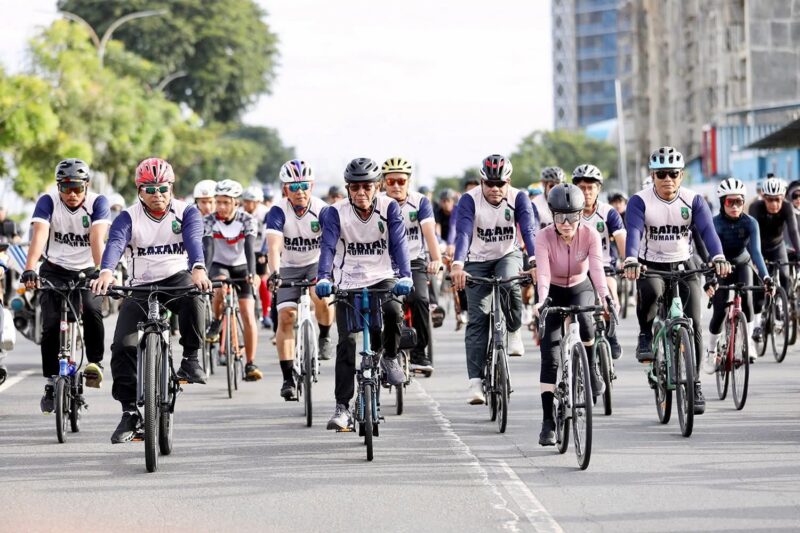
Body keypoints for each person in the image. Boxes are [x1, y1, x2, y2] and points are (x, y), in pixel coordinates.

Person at [91, 157, 212, 444]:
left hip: (177, 278)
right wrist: (106, 272)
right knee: (122, 345)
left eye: (163, 189)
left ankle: (191, 359)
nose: (157, 195)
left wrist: (198, 268)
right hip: (141, 286)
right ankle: (130, 412)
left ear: (172, 188)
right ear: (138, 190)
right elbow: (116, 245)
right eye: (149, 189)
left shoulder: (187, 212)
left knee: (196, 298)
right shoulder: (128, 217)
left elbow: (194, 240)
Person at [623, 146, 730, 415]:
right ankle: (646, 334)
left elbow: (707, 231)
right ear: (653, 175)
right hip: (651, 264)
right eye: (661, 174)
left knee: (693, 322)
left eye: (673, 173)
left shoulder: (693, 200)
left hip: (684, 264)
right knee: (651, 289)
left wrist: (718, 256)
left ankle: (694, 385)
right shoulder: (640, 200)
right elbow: (634, 232)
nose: (667, 179)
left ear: (681, 175)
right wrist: (631, 259)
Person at [315, 157, 412, 430]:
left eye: (367, 187)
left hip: (382, 277)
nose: (361, 193)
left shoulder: (390, 208)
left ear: (377, 186)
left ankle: (390, 357)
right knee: (346, 342)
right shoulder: (335, 212)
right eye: (355, 188)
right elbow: (328, 247)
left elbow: (399, 244)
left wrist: (405, 275)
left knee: (393, 311)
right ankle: (342, 407)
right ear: (347, 189)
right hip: (348, 281)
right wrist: (323, 277)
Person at [22, 158, 110, 412]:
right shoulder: (48, 201)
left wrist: (102, 272)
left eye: (77, 188)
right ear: (58, 186)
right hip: (54, 269)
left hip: (86, 270)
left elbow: (96, 238)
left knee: (92, 310)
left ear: (87, 185)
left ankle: (95, 363)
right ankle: (51, 381)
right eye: (66, 188)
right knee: (49, 326)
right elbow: (39, 234)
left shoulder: (98, 203)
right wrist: (30, 268)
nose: (71, 194)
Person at [450, 154, 537, 404]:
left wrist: (534, 261)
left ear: (508, 182)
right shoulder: (469, 200)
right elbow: (463, 232)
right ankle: (475, 382)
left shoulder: (519, 198)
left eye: (501, 184)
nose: (496, 189)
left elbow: (528, 230)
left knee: (510, 283)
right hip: (476, 259)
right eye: (490, 184)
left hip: (506, 254)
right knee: (477, 319)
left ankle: (513, 330)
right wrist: (457, 264)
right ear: (482, 182)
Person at [534, 183, 611, 445]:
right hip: (552, 290)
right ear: (552, 215)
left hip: (580, 286)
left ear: (581, 214)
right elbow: (542, 272)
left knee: (588, 324)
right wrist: (542, 300)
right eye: (560, 217)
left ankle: (590, 368)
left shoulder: (590, 235)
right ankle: (547, 422)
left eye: (573, 217)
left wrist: (605, 296)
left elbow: (598, 270)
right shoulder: (543, 236)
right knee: (550, 357)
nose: (566, 223)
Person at [266, 159, 334, 400]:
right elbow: (274, 248)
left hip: (316, 263)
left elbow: (329, 244)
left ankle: (324, 335)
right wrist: (274, 274)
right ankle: (287, 379)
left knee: (320, 296)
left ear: (312, 186)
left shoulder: (323, 209)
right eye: (293, 187)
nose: (299, 191)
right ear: (285, 189)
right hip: (288, 266)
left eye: (304, 185)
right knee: (286, 317)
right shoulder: (277, 211)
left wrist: (326, 274)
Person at [703, 178, 772, 374]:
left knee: (748, 300)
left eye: (739, 202)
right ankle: (712, 351)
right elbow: (709, 253)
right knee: (719, 309)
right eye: (729, 202)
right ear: (722, 202)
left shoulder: (750, 223)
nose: (735, 206)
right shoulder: (714, 223)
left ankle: (748, 342)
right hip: (720, 265)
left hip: (742, 263)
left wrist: (766, 278)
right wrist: (711, 277)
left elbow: (756, 253)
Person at [381, 157, 443, 373]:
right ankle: (385, 349)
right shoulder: (376, 202)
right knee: (387, 306)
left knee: (420, 299)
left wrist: (436, 259)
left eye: (401, 181)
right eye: (391, 182)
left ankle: (419, 353)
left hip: (414, 260)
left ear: (408, 181)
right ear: (383, 183)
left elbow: (429, 233)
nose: (396, 186)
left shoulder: (420, 202)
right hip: (384, 263)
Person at [203, 180, 262, 381]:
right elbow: (208, 249)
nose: (221, 207)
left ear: (236, 203)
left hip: (242, 264)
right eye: (218, 202)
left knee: (247, 313)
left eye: (226, 202)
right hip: (219, 264)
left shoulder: (247, 220)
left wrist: (252, 273)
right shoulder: (209, 220)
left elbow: (250, 247)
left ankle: (250, 363)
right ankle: (217, 320)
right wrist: (205, 273)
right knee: (219, 287)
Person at [572, 164, 626, 359]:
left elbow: (621, 238)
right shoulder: (568, 212)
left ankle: (611, 335)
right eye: (582, 187)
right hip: (576, 269)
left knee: (611, 297)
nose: (586, 192)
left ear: (599, 189)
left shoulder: (609, 212)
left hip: (603, 266)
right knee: (575, 311)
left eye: (590, 187)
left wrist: (629, 260)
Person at [748, 176, 800, 343]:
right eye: (769, 200)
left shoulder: (786, 207)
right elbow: (752, 236)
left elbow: (793, 232)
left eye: (777, 199)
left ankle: (781, 303)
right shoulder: (755, 207)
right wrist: (755, 258)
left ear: (783, 197)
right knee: (759, 286)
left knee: (785, 276)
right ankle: (757, 323)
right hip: (758, 248)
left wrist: (799, 252)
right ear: (763, 198)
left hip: (777, 247)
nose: (774, 204)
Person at [241, 185, 273, 330]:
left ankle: (266, 313)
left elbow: (268, 234)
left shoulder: (265, 213)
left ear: (257, 202)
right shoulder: (240, 213)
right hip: (244, 250)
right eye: (245, 201)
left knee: (264, 280)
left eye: (249, 201)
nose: (246, 204)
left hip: (259, 249)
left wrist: (264, 253)